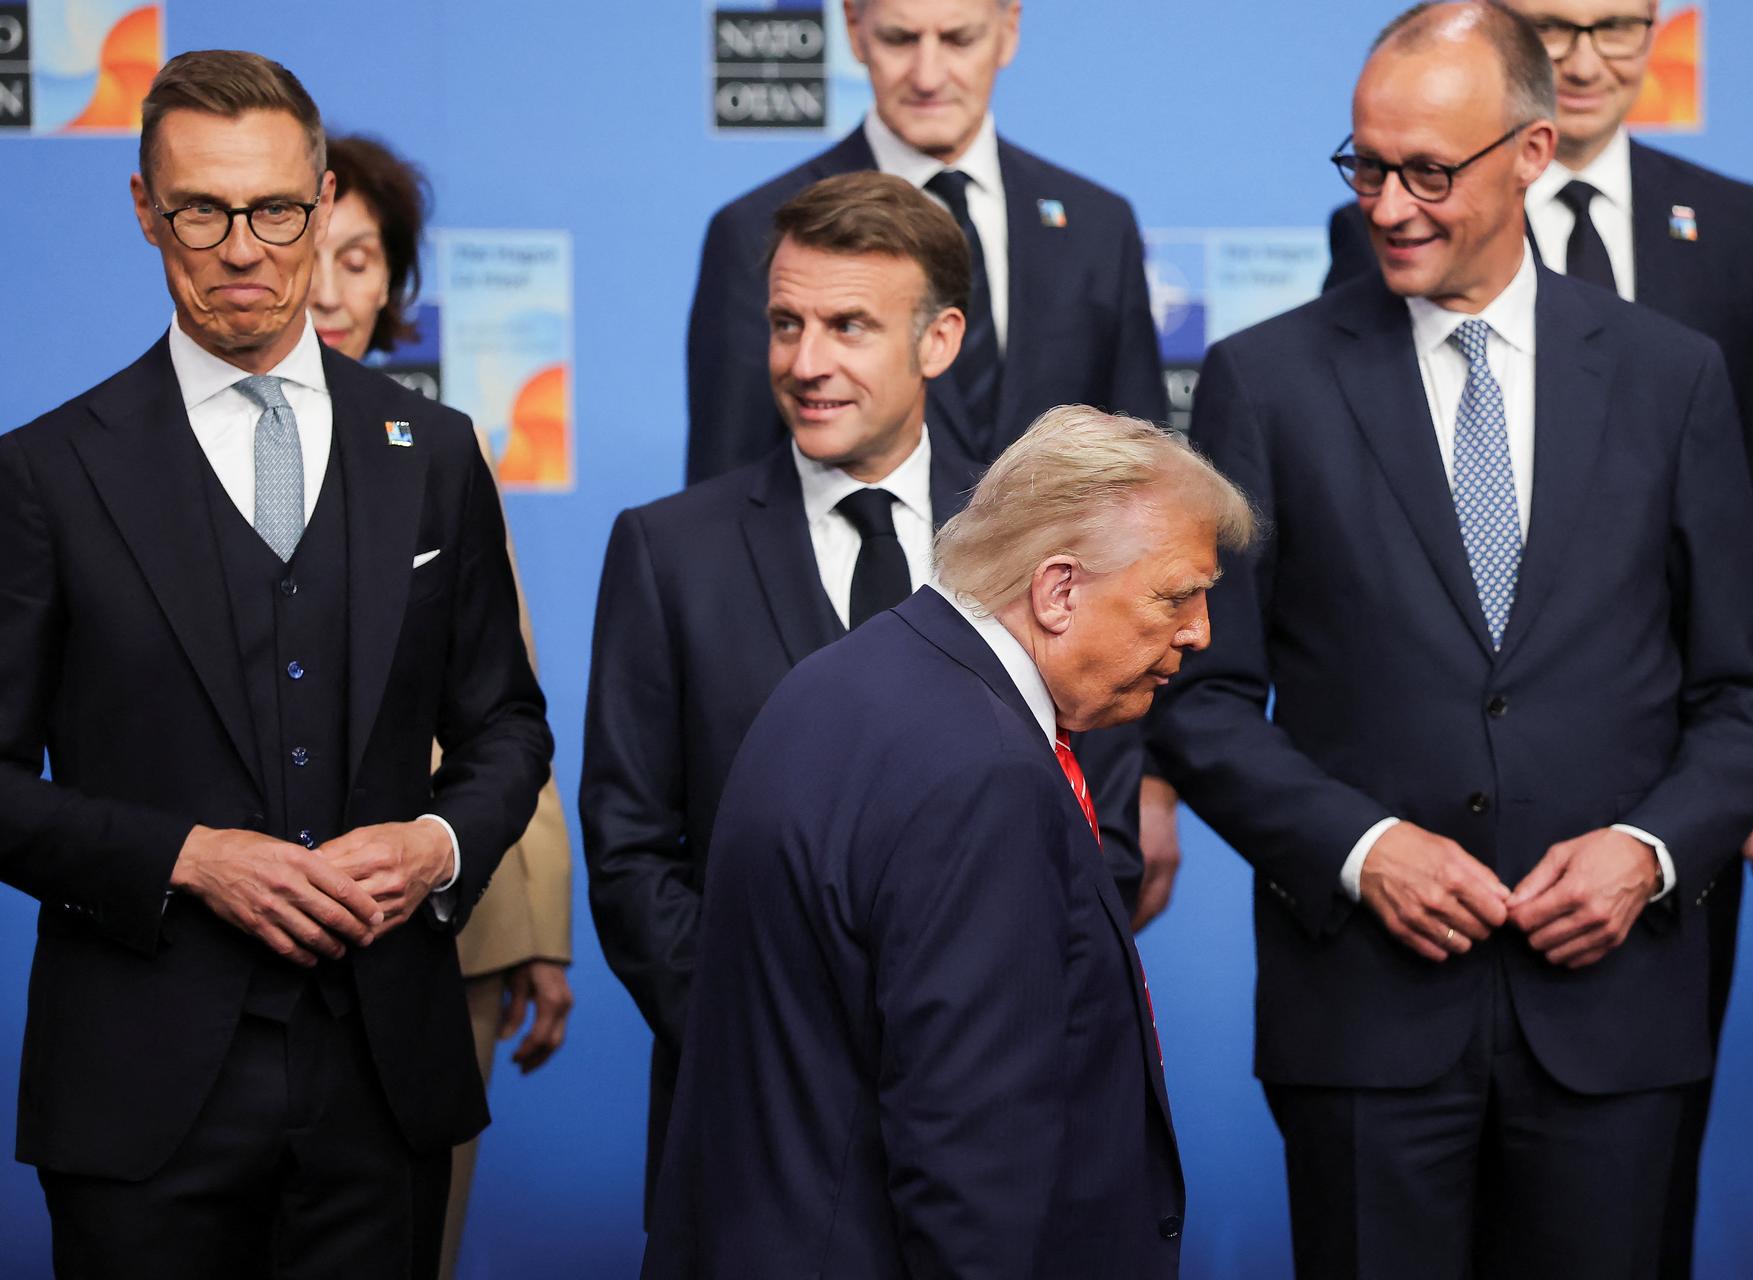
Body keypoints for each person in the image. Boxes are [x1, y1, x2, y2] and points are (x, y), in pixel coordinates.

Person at [1150, 6, 1753, 1277]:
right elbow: (1202, 696)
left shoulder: (1674, 379)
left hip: (1612, 1021)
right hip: (1366, 1030)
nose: (1389, 205)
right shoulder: (1262, 382)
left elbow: (1747, 695)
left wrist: (1651, 851)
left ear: (1532, 152)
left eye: (1429, 172)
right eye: (1366, 166)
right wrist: (1361, 846)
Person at [0, 51, 551, 1277]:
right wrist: (183, 858)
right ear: (146, 209)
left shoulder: (436, 453)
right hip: (141, 1098)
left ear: (319, 200)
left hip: (384, 1080)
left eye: (276, 209)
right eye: (202, 208)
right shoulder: (45, 474)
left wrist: (439, 844)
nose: (242, 246)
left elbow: (508, 723)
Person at [1325, 8, 1753, 1265]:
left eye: (1620, 22)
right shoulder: (1392, 224)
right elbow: (1375, 487)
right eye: (1560, 23)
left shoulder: (1729, 225)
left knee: (1633, 1176)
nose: (1593, 50)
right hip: (1430, 863)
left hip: (1662, 799)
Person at [583, 170, 1146, 1224]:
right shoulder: (670, 553)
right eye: (787, 323)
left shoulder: (1045, 548)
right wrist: (773, 1040)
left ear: (938, 341)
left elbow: (1097, 835)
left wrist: (960, 1035)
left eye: (849, 325)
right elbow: (629, 846)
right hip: (746, 1134)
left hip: (994, 1130)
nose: (806, 362)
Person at [643, 404, 1248, 1279]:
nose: (1199, 632)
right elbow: (970, 1151)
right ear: (1059, 589)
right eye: (1175, 594)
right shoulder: (987, 776)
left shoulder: (842, 679)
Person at [310, 132, 576, 1280]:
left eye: (360, 258)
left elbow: (507, 703)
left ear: (395, 284)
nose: (328, 285)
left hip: (441, 923)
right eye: (311, 248)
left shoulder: (441, 453)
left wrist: (541, 925)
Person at [685, 1, 1165, 481]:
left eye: (958, 39)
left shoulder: (1098, 225)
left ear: (1009, 29)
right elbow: (726, 494)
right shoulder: (759, 230)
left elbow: (1145, 470)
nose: (928, 76)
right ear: (854, 29)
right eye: (900, 39)